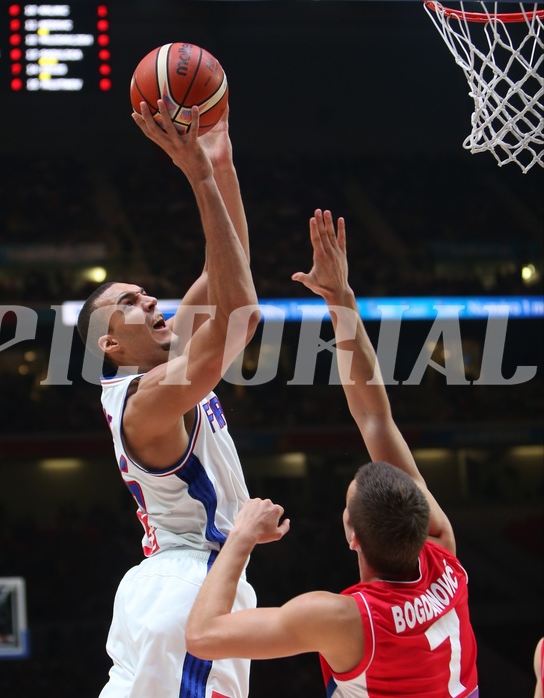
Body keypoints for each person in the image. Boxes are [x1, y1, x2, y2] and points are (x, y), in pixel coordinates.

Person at [186, 209, 479, 697]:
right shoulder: (443, 556)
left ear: (351, 534)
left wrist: (238, 536)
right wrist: (341, 301)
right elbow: (375, 418)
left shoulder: (346, 617)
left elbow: (202, 637)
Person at [76, 99, 260, 697]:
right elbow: (242, 314)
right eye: (129, 303)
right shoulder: (148, 400)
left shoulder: (158, 363)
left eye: (145, 292)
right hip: (191, 586)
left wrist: (222, 166)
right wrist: (198, 177)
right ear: (111, 343)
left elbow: (228, 266)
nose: (151, 301)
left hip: (156, 588)